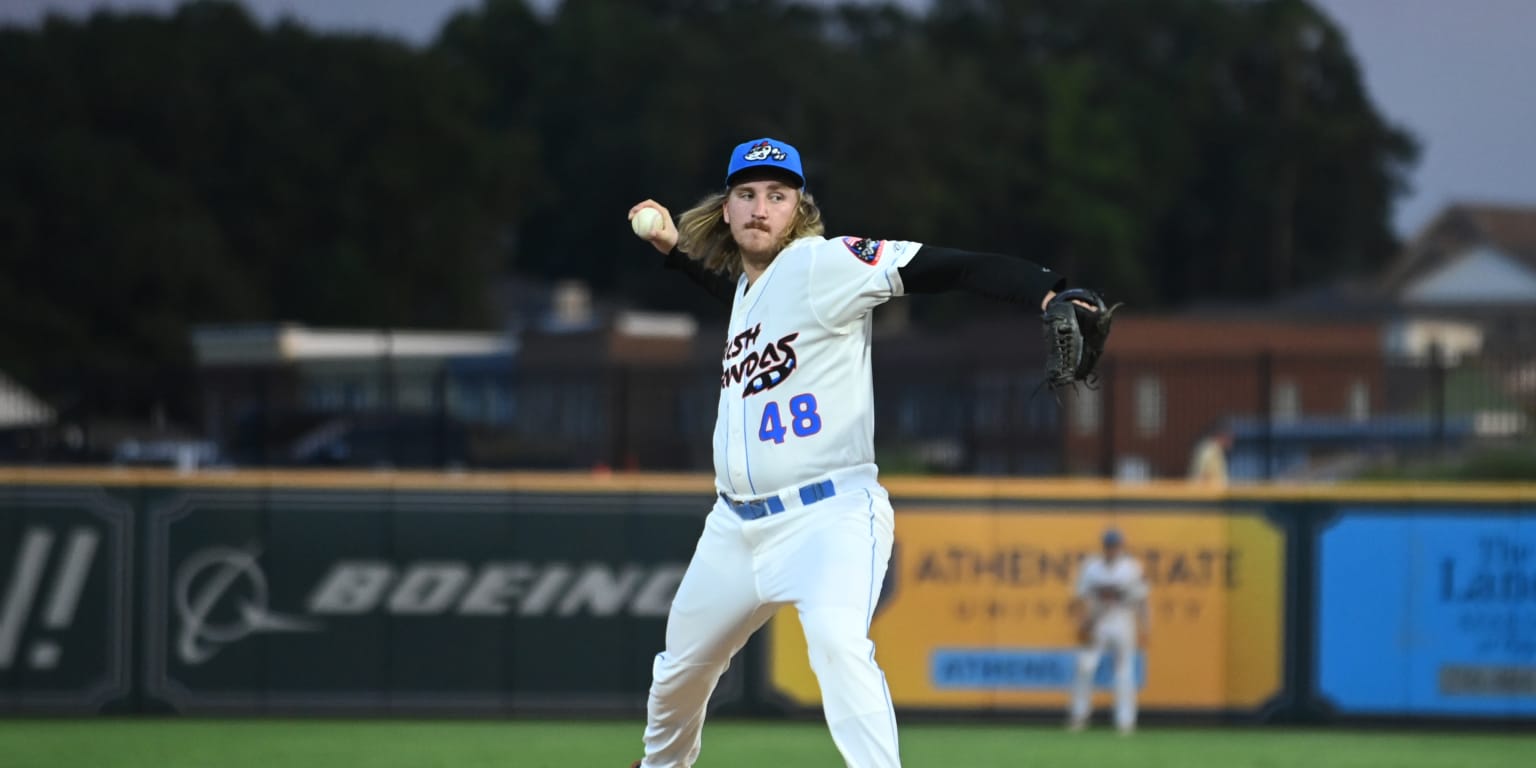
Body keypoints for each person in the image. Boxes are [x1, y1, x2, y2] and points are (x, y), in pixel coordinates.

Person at [624, 137, 1096, 768]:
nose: (761, 208)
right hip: (734, 528)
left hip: (828, 517)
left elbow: (946, 266)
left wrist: (1047, 292)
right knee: (678, 671)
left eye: (777, 195)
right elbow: (731, 289)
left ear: (798, 209)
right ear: (728, 209)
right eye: (747, 195)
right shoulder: (750, 291)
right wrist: (674, 251)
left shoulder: (824, 265)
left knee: (837, 644)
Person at [1067, 527, 1149, 735]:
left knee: (1124, 672)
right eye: (1109, 545)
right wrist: (1081, 622)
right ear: (1104, 546)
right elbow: (1079, 596)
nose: (1112, 549)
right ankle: (1079, 716)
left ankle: (1125, 721)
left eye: (1115, 545)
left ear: (1121, 546)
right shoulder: (1092, 567)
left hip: (1123, 620)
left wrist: (1145, 626)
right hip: (1098, 621)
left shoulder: (1131, 568)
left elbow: (1142, 599)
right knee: (1085, 666)